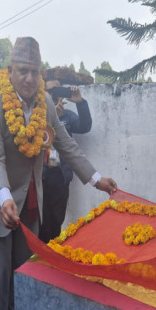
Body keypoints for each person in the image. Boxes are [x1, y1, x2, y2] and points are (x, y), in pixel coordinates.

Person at [0, 36, 117, 310]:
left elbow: (66, 143)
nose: (28, 78)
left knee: (24, 281)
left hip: (29, 207)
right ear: (10, 70)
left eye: (34, 72)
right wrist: (3, 196)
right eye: (22, 71)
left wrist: (97, 179)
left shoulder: (45, 101)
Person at [39, 79, 92, 242]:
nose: (54, 94)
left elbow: (84, 126)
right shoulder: (38, 114)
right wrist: (49, 117)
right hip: (41, 175)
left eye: (57, 89)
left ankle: (52, 251)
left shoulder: (67, 115)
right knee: (40, 220)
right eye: (50, 90)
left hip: (60, 175)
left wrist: (80, 102)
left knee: (57, 218)